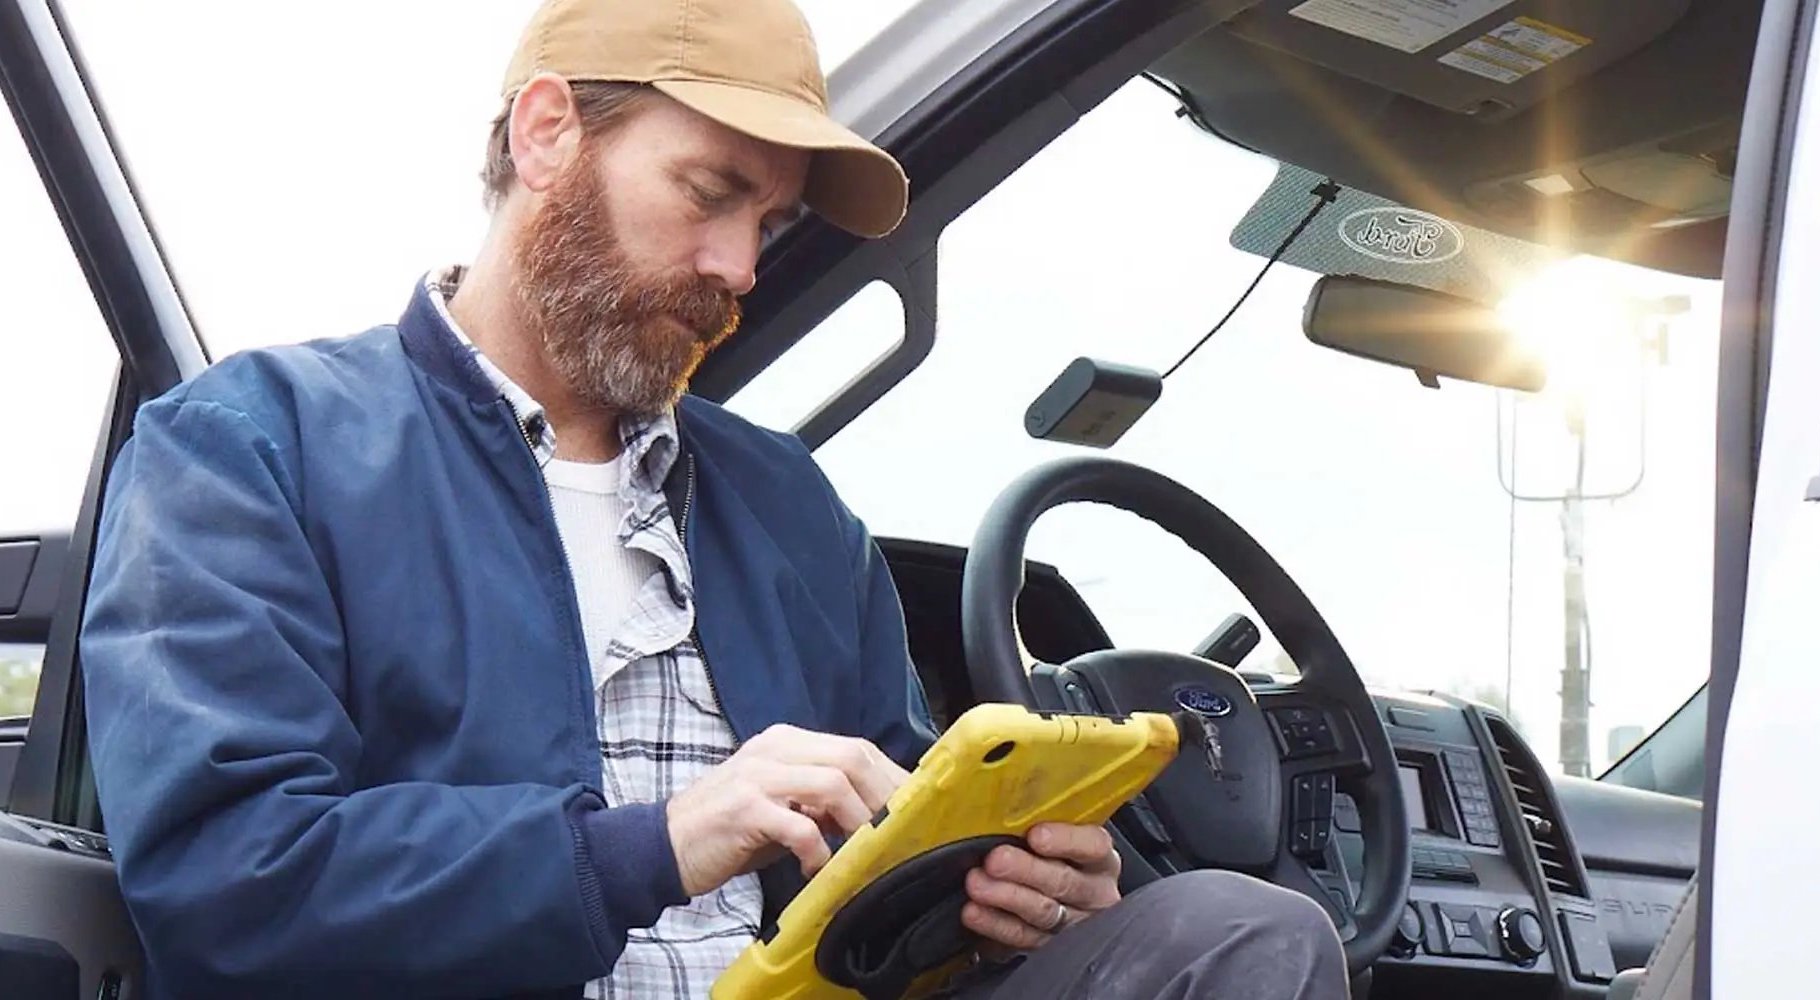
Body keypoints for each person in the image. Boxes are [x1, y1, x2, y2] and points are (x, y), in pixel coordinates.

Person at [74, 0, 1350, 997]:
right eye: (710, 193)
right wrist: (658, 844)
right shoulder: (255, 446)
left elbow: (892, 839)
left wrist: (1004, 893)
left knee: (1239, 933)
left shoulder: (786, 503)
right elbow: (229, 880)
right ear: (547, 132)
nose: (738, 267)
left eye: (770, 223)